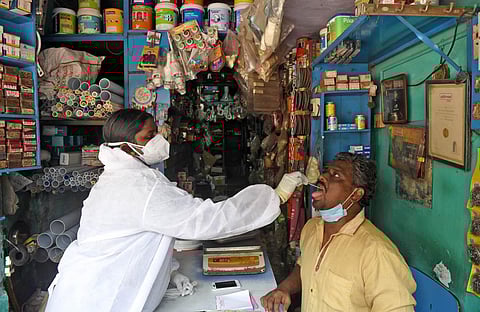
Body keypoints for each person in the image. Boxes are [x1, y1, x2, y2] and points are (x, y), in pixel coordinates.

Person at [45, 109, 307, 312]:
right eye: (148, 137)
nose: (158, 141)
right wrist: (275, 197)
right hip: (98, 299)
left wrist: (168, 271)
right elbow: (207, 221)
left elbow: (131, 241)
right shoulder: (138, 186)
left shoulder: (121, 177)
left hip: (88, 288)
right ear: (126, 147)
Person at [261, 152, 417, 312]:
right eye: (327, 171)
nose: (323, 177)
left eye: (336, 175)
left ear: (356, 194)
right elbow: (306, 265)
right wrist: (284, 288)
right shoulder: (311, 229)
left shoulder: (377, 253)